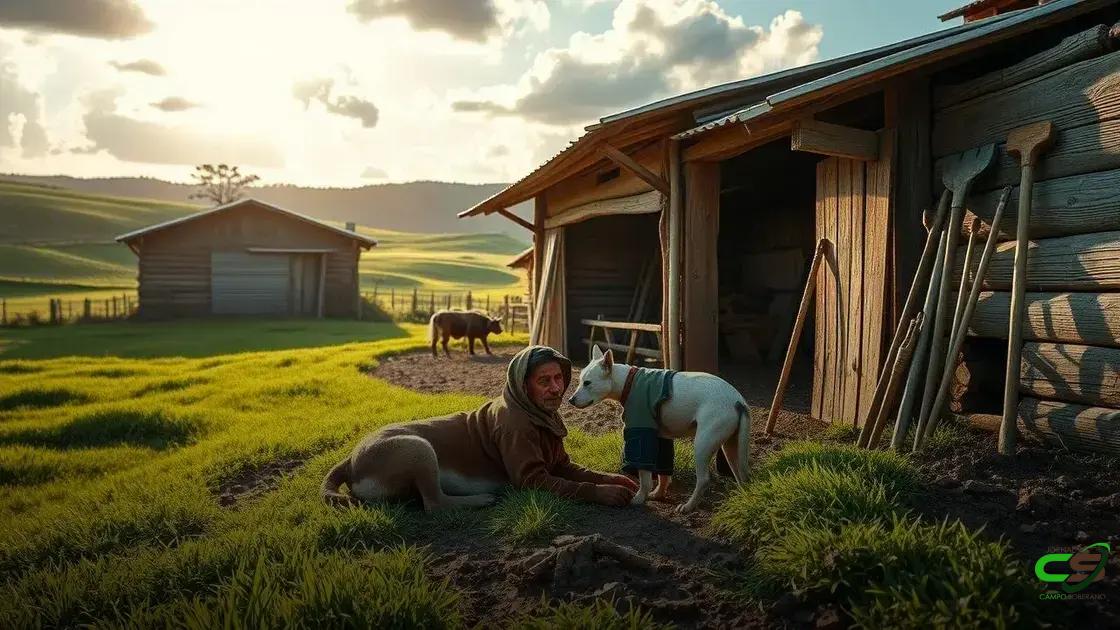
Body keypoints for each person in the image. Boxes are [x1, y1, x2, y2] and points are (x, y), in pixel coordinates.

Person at [322, 345, 638, 510]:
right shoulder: (515, 421)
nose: (557, 389)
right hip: (375, 466)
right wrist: (594, 494)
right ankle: (438, 503)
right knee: (416, 448)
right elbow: (532, 480)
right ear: (522, 385)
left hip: (375, 464)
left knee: (417, 448)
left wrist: (609, 479)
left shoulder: (541, 414)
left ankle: (432, 495)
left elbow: (560, 466)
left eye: (559, 379)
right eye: (544, 381)